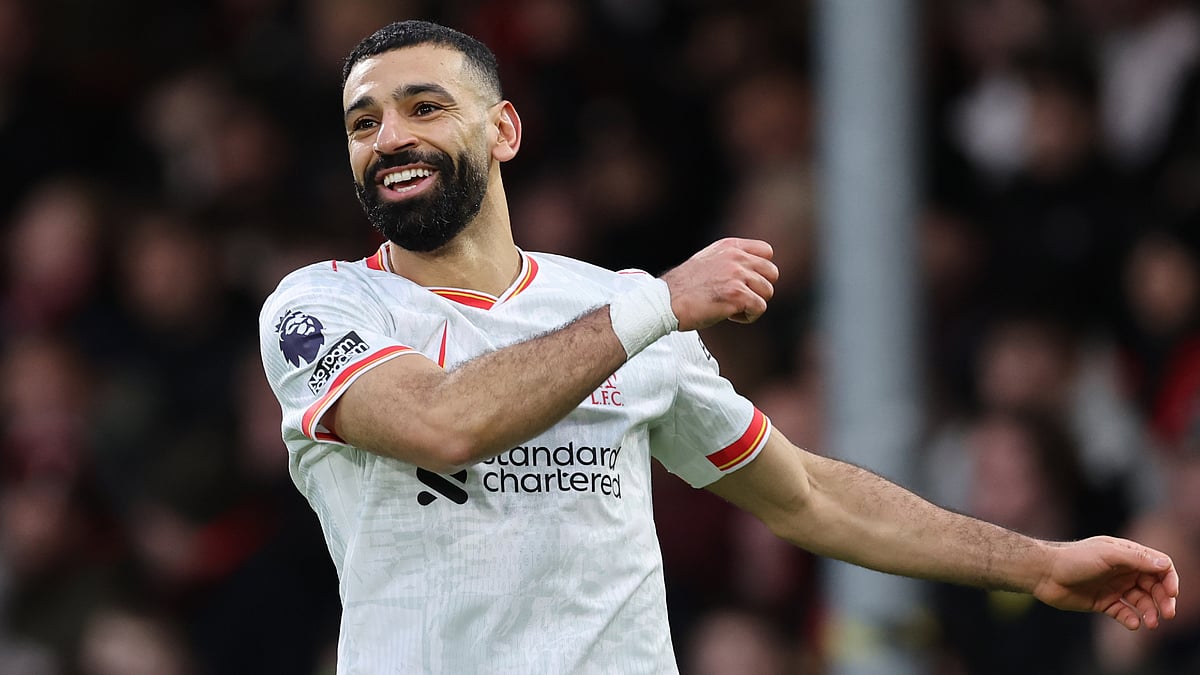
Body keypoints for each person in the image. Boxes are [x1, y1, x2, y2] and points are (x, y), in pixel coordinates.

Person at [258, 20, 1179, 674]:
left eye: (424, 106)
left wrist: (1041, 561)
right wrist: (658, 303)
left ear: (503, 130)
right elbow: (442, 421)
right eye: (363, 122)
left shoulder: (609, 306)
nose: (391, 138)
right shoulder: (324, 308)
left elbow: (809, 494)